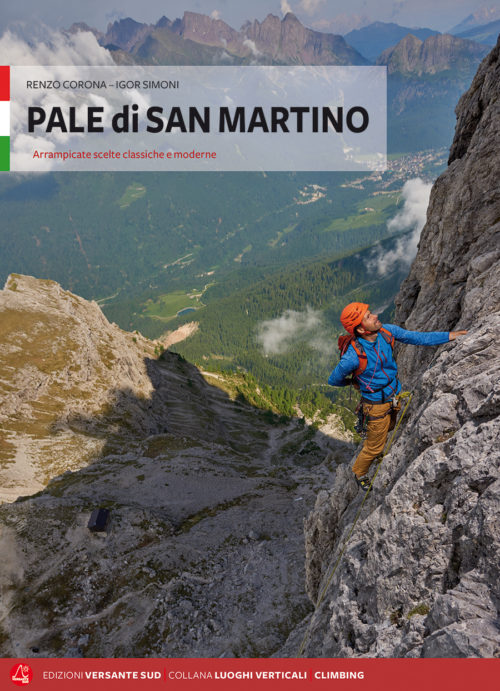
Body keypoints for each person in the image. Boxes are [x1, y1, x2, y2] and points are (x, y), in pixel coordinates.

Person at [328, 302, 467, 491]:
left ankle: (375, 437)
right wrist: (354, 383)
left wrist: (449, 336)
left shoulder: (387, 332)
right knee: (374, 447)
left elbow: (416, 338)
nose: (375, 316)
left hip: (394, 393)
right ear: (360, 329)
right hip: (375, 403)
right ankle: (359, 472)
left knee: (391, 425)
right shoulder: (353, 356)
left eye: (371, 313)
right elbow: (333, 379)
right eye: (368, 316)